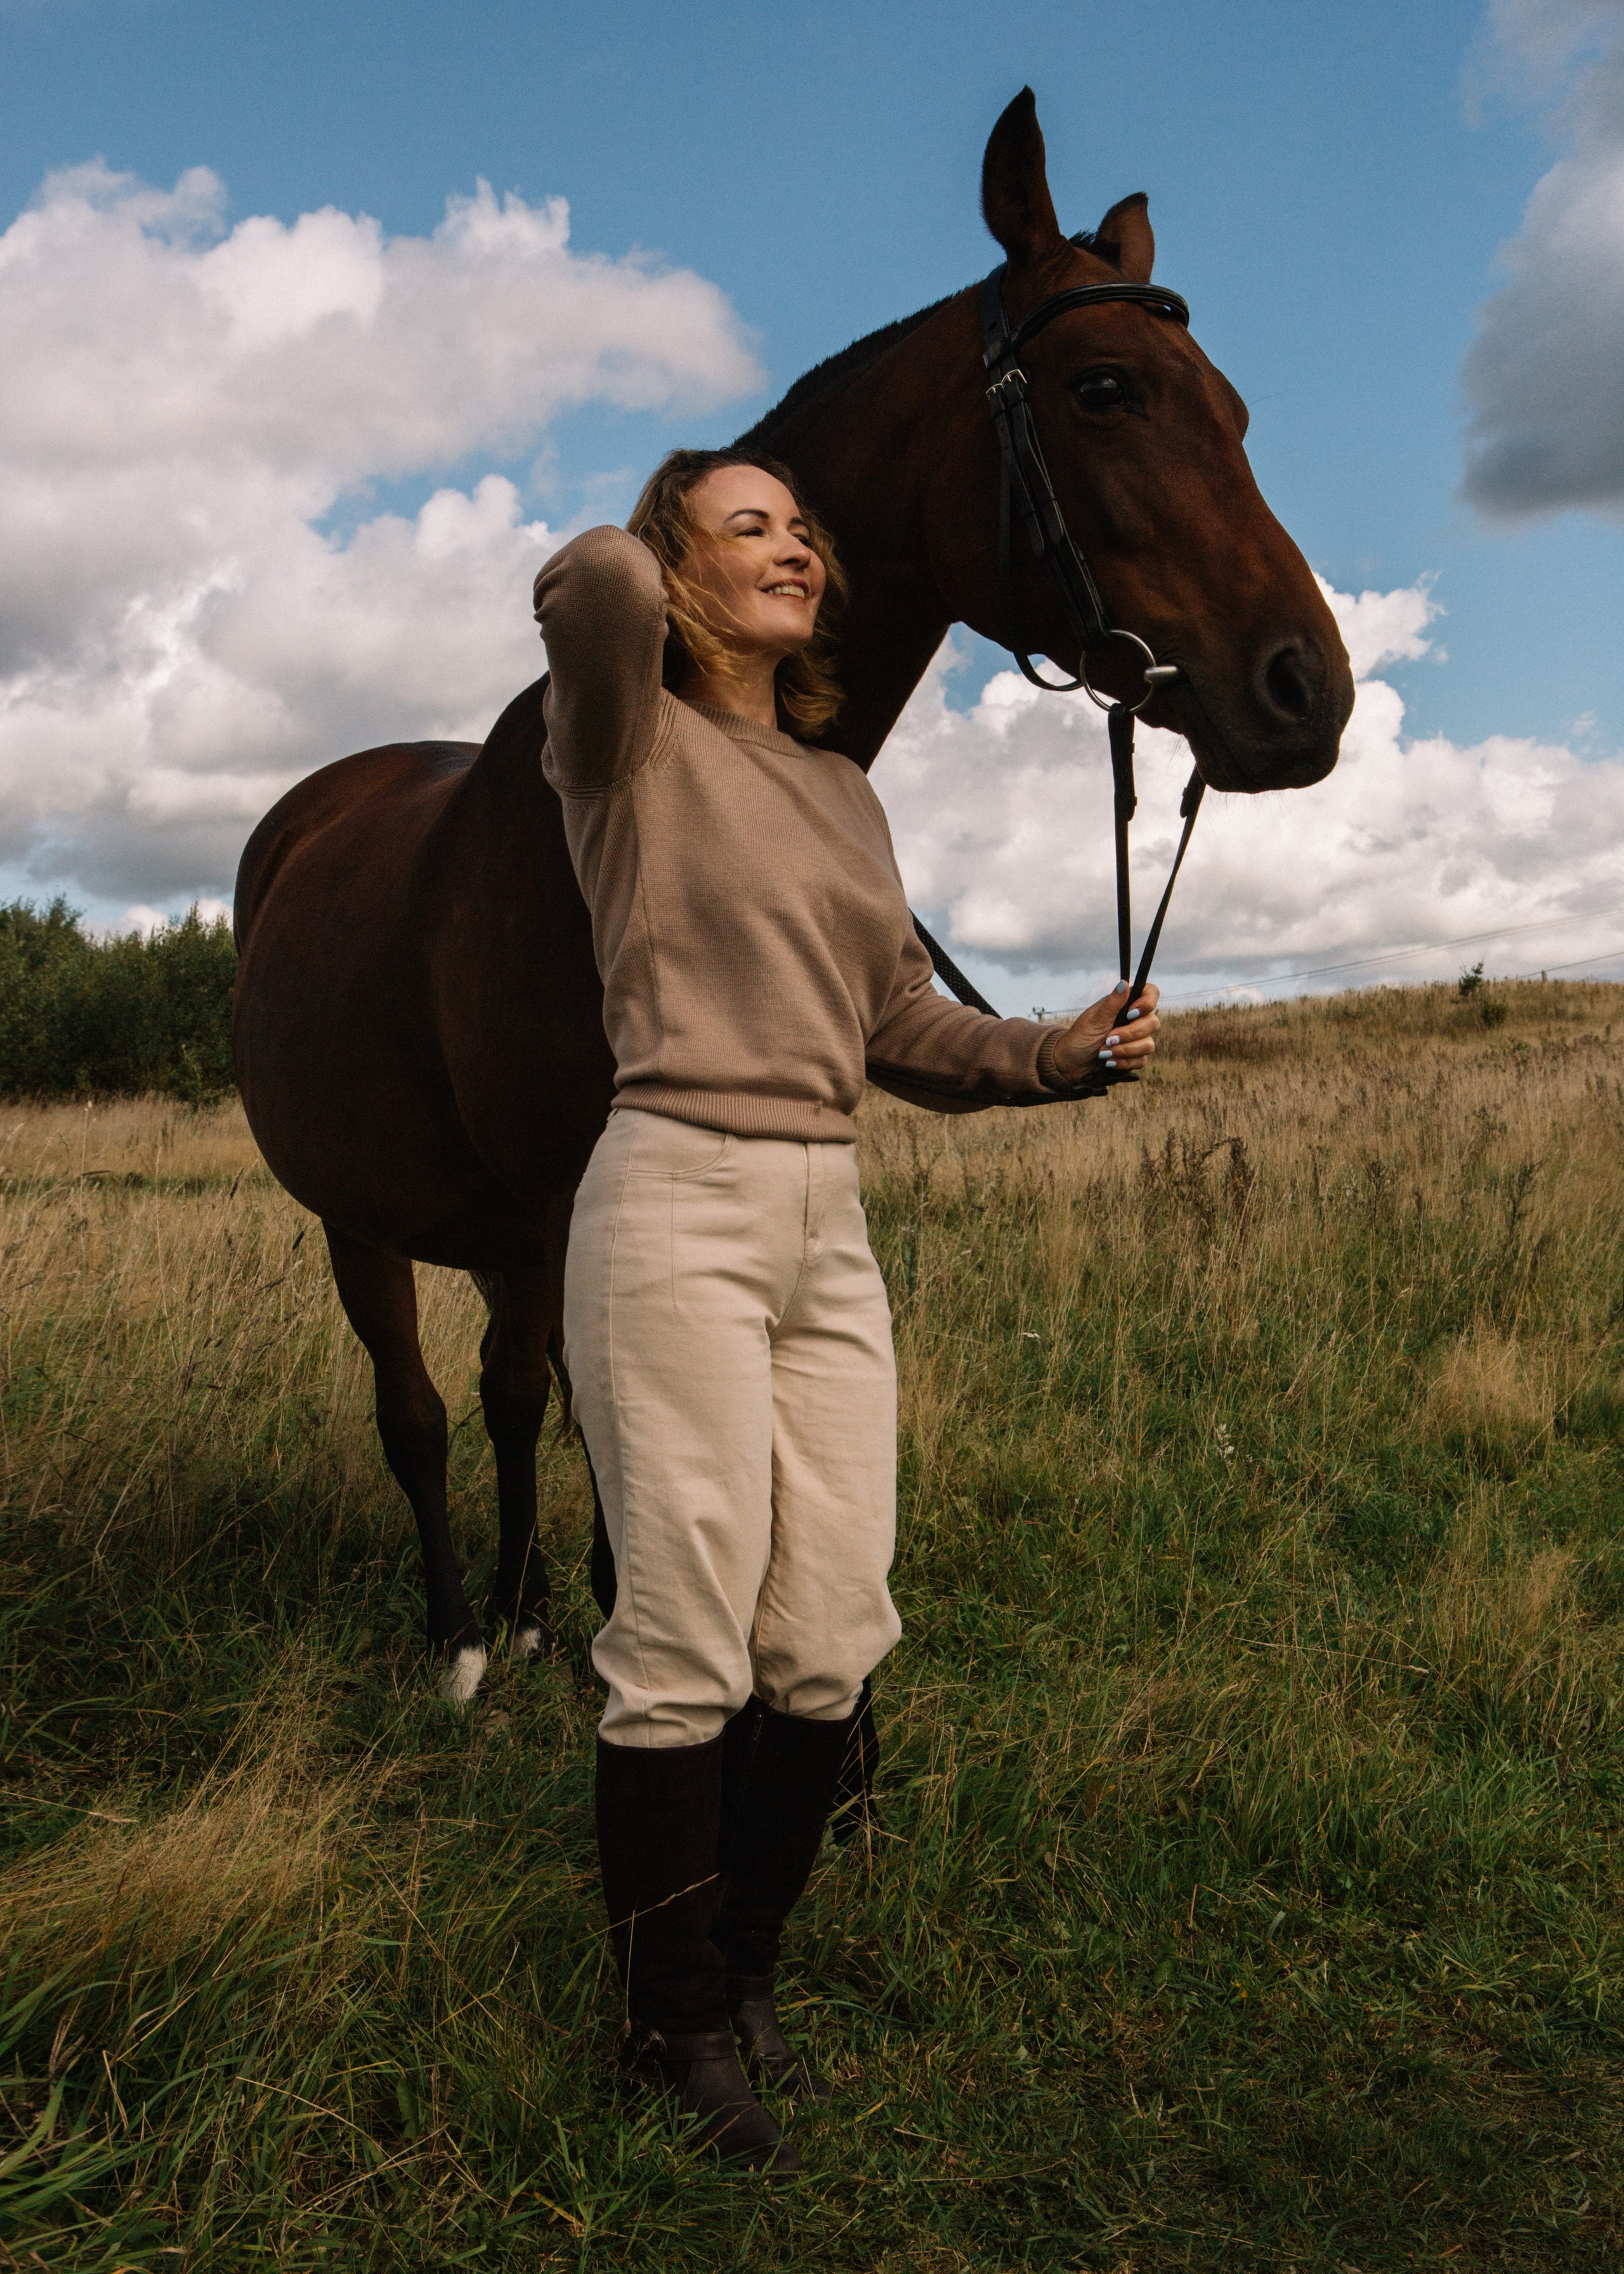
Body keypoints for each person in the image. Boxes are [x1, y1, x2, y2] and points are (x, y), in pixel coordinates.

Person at [532, 448, 1160, 2174]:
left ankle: (739, 1978)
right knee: (683, 1630)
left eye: (804, 528)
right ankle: (667, 2021)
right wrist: (650, 556)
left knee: (827, 1630)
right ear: (678, 572)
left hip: (825, 1212)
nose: (796, 544)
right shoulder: (620, 741)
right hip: (672, 1193)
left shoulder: (839, 791)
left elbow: (898, 1020)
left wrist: (1055, 1047)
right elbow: (582, 582)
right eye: (753, 526)